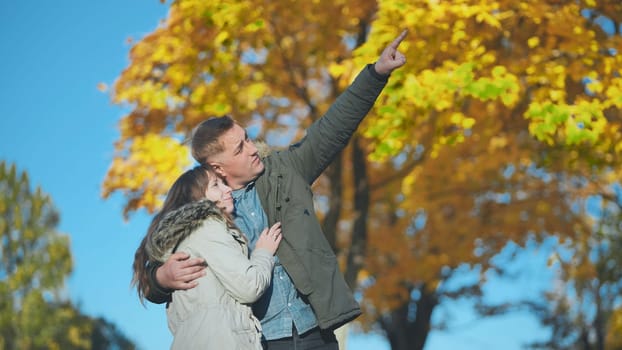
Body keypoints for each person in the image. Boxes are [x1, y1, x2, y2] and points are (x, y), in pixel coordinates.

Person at [146, 29, 409, 349]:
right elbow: (152, 261)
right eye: (240, 148)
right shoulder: (204, 207)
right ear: (218, 167)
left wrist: (376, 74)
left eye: (247, 138)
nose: (253, 148)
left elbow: (332, 129)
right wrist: (159, 279)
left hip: (315, 330)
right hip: (259, 340)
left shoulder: (286, 170)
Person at [132, 165, 283, 349]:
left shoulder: (180, 240)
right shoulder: (207, 227)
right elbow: (249, 286)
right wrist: (263, 252)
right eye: (216, 185)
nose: (228, 189)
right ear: (197, 198)